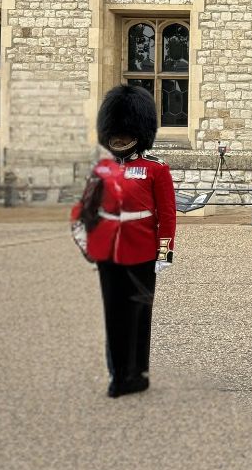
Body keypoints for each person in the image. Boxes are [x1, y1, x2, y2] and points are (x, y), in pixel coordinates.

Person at [71, 84, 176, 398]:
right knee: (114, 314)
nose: (119, 139)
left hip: (143, 253)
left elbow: (167, 215)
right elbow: (84, 213)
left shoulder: (155, 170)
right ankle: (118, 375)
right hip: (110, 254)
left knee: (140, 314)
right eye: (114, 134)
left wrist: (163, 253)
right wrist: (90, 247)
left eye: (124, 133)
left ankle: (138, 373)